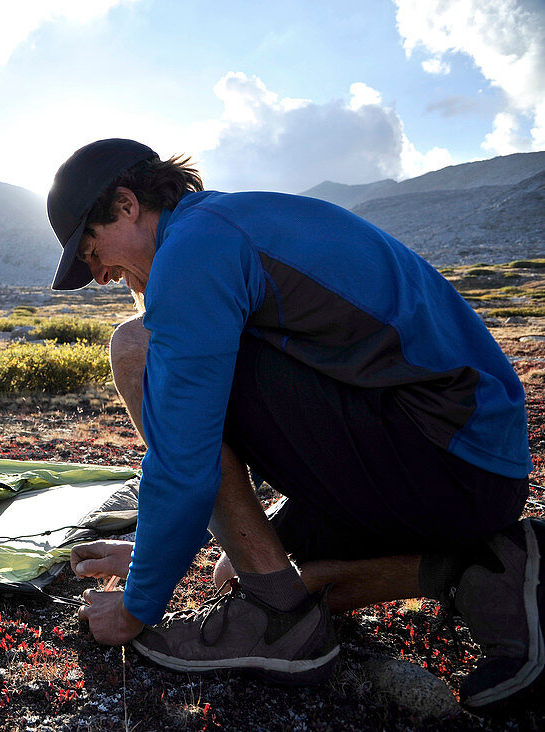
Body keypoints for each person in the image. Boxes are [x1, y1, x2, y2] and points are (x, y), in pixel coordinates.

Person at [49, 138, 542, 711]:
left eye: (92, 249)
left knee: (137, 346)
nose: (101, 275)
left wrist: (137, 606)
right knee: (232, 571)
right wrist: (151, 553)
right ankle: (485, 570)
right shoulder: (224, 222)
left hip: (446, 456)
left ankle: (277, 615)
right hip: (469, 468)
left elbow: (187, 455)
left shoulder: (198, 245)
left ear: (129, 205)